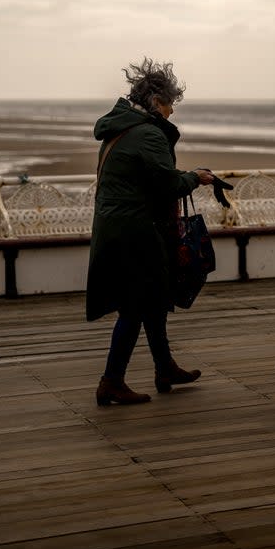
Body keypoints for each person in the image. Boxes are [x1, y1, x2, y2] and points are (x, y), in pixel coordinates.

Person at [87, 58, 216, 406]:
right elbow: (167, 184)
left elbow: (147, 177)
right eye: (171, 103)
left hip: (119, 225)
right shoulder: (148, 133)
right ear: (157, 102)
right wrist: (196, 178)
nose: (173, 111)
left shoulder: (122, 128)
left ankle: (164, 367)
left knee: (153, 299)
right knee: (134, 305)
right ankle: (112, 381)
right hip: (137, 231)